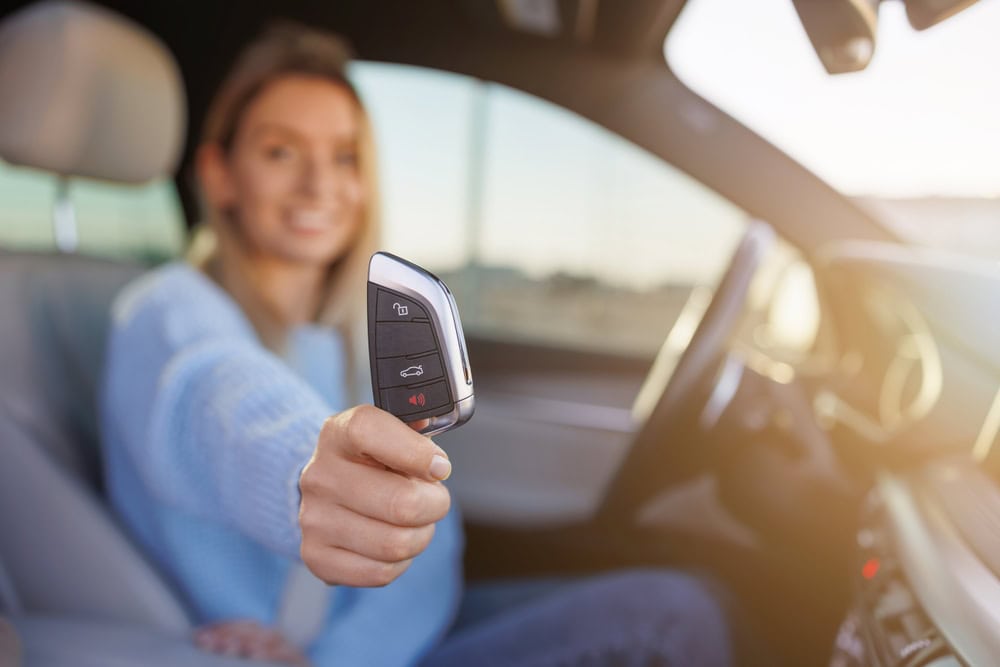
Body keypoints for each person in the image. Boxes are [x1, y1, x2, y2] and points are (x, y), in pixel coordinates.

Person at [100, 23, 732, 667]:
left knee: (707, 592)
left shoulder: (350, 333)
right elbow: (215, 398)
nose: (320, 185)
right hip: (307, 652)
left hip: (385, 637)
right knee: (673, 616)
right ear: (220, 174)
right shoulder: (168, 308)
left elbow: (432, 544)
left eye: (345, 157)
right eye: (281, 152)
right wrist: (305, 468)